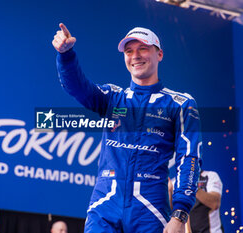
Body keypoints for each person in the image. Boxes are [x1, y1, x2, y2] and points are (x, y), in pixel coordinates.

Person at [52, 23, 202, 233]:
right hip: (105, 204)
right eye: (129, 51)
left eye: (143, 49)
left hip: (150, 209)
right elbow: (78, 88)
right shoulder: (113, 98)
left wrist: (180, 214)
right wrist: (66, 56)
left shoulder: (180, 104)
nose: (135, 56)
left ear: (159, 54)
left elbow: (189, 159)